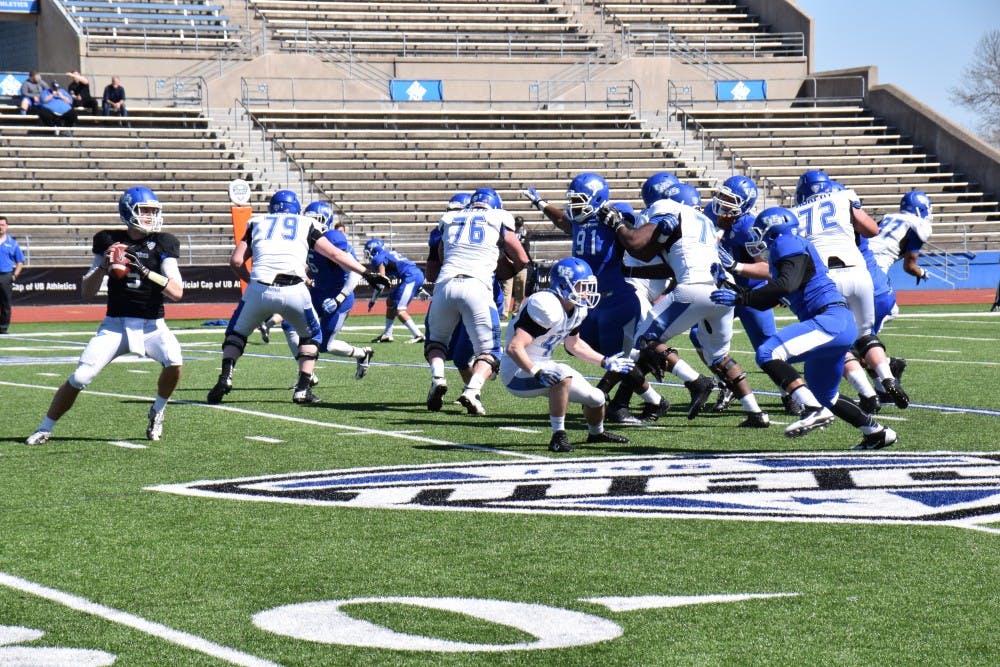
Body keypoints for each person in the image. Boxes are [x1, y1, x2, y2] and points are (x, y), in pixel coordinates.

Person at [709, 206, 897, 450]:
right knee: (826, 394)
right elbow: (768, 297)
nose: (758, 239)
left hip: (829, 320)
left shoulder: (786, 242)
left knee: (768, 352)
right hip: (835, 324)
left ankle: (810, 407)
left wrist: (741, 297)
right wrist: (730, 285)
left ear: (773, 229)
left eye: (760, 232)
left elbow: (785, 285)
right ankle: (877, 432)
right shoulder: (787, 251)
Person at [600, 182, 768, 428]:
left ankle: (696, 382)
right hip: (725, 288)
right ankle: (756, 413)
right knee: (720, 356)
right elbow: (664, 261)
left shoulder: (668, 211)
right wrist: (632, 269)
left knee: (643, 340)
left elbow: (637, 245)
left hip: (694, 287)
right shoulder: (705, 222)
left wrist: (617, 225)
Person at [25, 187, 185, 445]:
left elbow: (177, 292)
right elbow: (86, 292)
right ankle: (45, 427)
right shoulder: (108, 240)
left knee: (175, 362)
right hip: (115, 326)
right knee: (80, 377)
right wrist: (103, 265)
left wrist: (144, 271)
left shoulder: (164, 243)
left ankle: (157, 410)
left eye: (153, 211)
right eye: (145, 211)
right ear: (128, 211)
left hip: (152, 325)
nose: (150, 217)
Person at [206, 190, 389, 405]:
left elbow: (236, 261)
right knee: (311, 337)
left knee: (236, 334)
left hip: (259, 288)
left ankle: (226, 376)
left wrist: (250, 281)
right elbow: (336, 255)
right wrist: (367, 274)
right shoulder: (305, 224)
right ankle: (303, 389)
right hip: (294, 289)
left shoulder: (257, 222)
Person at [521, 173, 644, 424]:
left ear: (598, 199)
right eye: (573, 201)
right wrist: (541, 203)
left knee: (619, 355)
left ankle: (627, 403)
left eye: (580, 200)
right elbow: (563, 221)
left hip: (613, 295)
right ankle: (639, 395)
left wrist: (619, 223)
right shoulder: (580, 219)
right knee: (584, 349)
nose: (574, 206)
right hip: (586, 299)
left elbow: (633, 237)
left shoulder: (613, 214)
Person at [789, 170, 907, 412]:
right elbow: (872, 230)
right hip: (858, 273)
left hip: (825, 281)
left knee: (836, 341)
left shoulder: (794, 214)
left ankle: (867, 394)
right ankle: (887, 379)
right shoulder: (844, 197)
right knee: (864, 335)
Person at [502, 257, 631, 452]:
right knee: (562, 375)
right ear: (563, 285)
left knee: (596, 398)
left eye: (589, 286)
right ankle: (558, 436)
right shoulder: (545, 305)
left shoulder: (578, 309)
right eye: (582, 286)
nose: (587, 292)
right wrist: (537, 371)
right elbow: (514, 347)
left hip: (543, 365)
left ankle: (596, 433)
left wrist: (604, 361)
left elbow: (573, 344)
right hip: (517, 370)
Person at [424, 187, 529, 415]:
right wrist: (505, 269)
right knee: (490, 351)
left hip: (446, 285)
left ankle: (438, 378)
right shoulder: (498, 217)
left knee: (436, 342)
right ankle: (472, 390)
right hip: (477, 287)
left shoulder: (450, 217)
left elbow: (441, 259)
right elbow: (522, 258)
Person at [277, 201, 375, 382]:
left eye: (315, 219)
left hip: (338, 295)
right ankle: (306, 374)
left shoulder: (333, 238)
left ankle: (361, 354)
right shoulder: (304, 237)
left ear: (326, 220)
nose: (310, 222)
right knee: (289, 325)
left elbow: (354, 273)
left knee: (323, 346)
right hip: (317, 292)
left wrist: (339, 298)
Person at [364, 237, 426, 344]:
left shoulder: (378, 258)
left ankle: (418, 334)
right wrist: (420, 289)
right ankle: (387, 334)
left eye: (368, 251)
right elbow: (405, 266)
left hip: (410, 276)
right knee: (391, 300)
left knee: (399, 310)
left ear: (373, 249)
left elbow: (381, 283)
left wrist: (373, 300)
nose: (367, 255)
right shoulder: (389, 253)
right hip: (414, 275)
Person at [869, 191, 934, 283]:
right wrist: (921, 273)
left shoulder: (888, 217)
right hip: (876, 266)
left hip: (858, 258)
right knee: (884, 296)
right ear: (920, 209)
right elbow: (909, 266)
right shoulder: (918, 224)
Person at [501, 215, 531, 319]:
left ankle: (516, 312)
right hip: (509, 263)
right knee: (507, 289)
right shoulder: (508, 232)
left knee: (520, 289)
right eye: (516, 225)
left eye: (519, 225)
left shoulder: (525, 234)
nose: (518, 227)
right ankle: (504, 312)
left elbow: (527, 248)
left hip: (521, 265)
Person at [0, 215, 25, 334]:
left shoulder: (12, 243)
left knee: (5, 303)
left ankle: (3, 328)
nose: (0, 227)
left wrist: (14, 275)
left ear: (7, 226)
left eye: (2, 225)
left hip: (6, 275)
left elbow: (20, 261)